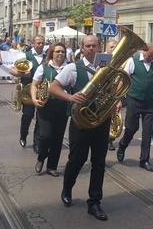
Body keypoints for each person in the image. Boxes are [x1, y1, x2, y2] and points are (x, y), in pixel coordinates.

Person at [47, 35, 112, 221]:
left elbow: (115, 87)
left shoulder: (106, 68)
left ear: (99, 47)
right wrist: (71, 97)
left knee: (99, 163)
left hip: (101, 121)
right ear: (82, 48)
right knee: (77, 159)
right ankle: (67, 188)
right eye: (88, 46)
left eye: (94, 46)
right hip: (80, 123)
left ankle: (94, 202)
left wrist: (116, 99)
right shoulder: (73, 68)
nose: (91, 49)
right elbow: (53, 88)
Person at [116, 43, 153, 172]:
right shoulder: (133, 61)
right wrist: (118, 100)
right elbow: (123, 80)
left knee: (148, 131)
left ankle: (144, 160)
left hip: (149, 101)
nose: (152, 58)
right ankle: (123, 145)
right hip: (134, 99)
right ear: (144, 51)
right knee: (131, 128)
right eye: (150, 55)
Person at [30, 42, 69, 177]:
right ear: (52, 53)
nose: (60, 54)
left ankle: (52, 166)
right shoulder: (44, 67)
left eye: (62, 52)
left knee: (58, 138)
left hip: (62, 106)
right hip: (46, 106)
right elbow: (34, 85)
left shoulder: (69, 68)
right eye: (57, 51)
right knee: (45, 135)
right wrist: (34, 99)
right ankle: (41, 158)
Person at [9, 34, 45, 152]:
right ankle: (23, 135)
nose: (40, 45)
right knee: (28, 115)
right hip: (28, 90)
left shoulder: (47, 56)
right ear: (33, 44)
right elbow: (12, 69)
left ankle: (37, 143)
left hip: (42, 91)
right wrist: (22, 74)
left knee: (40, 117)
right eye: (38, 43)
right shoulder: (25, 55)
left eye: (42, 43)